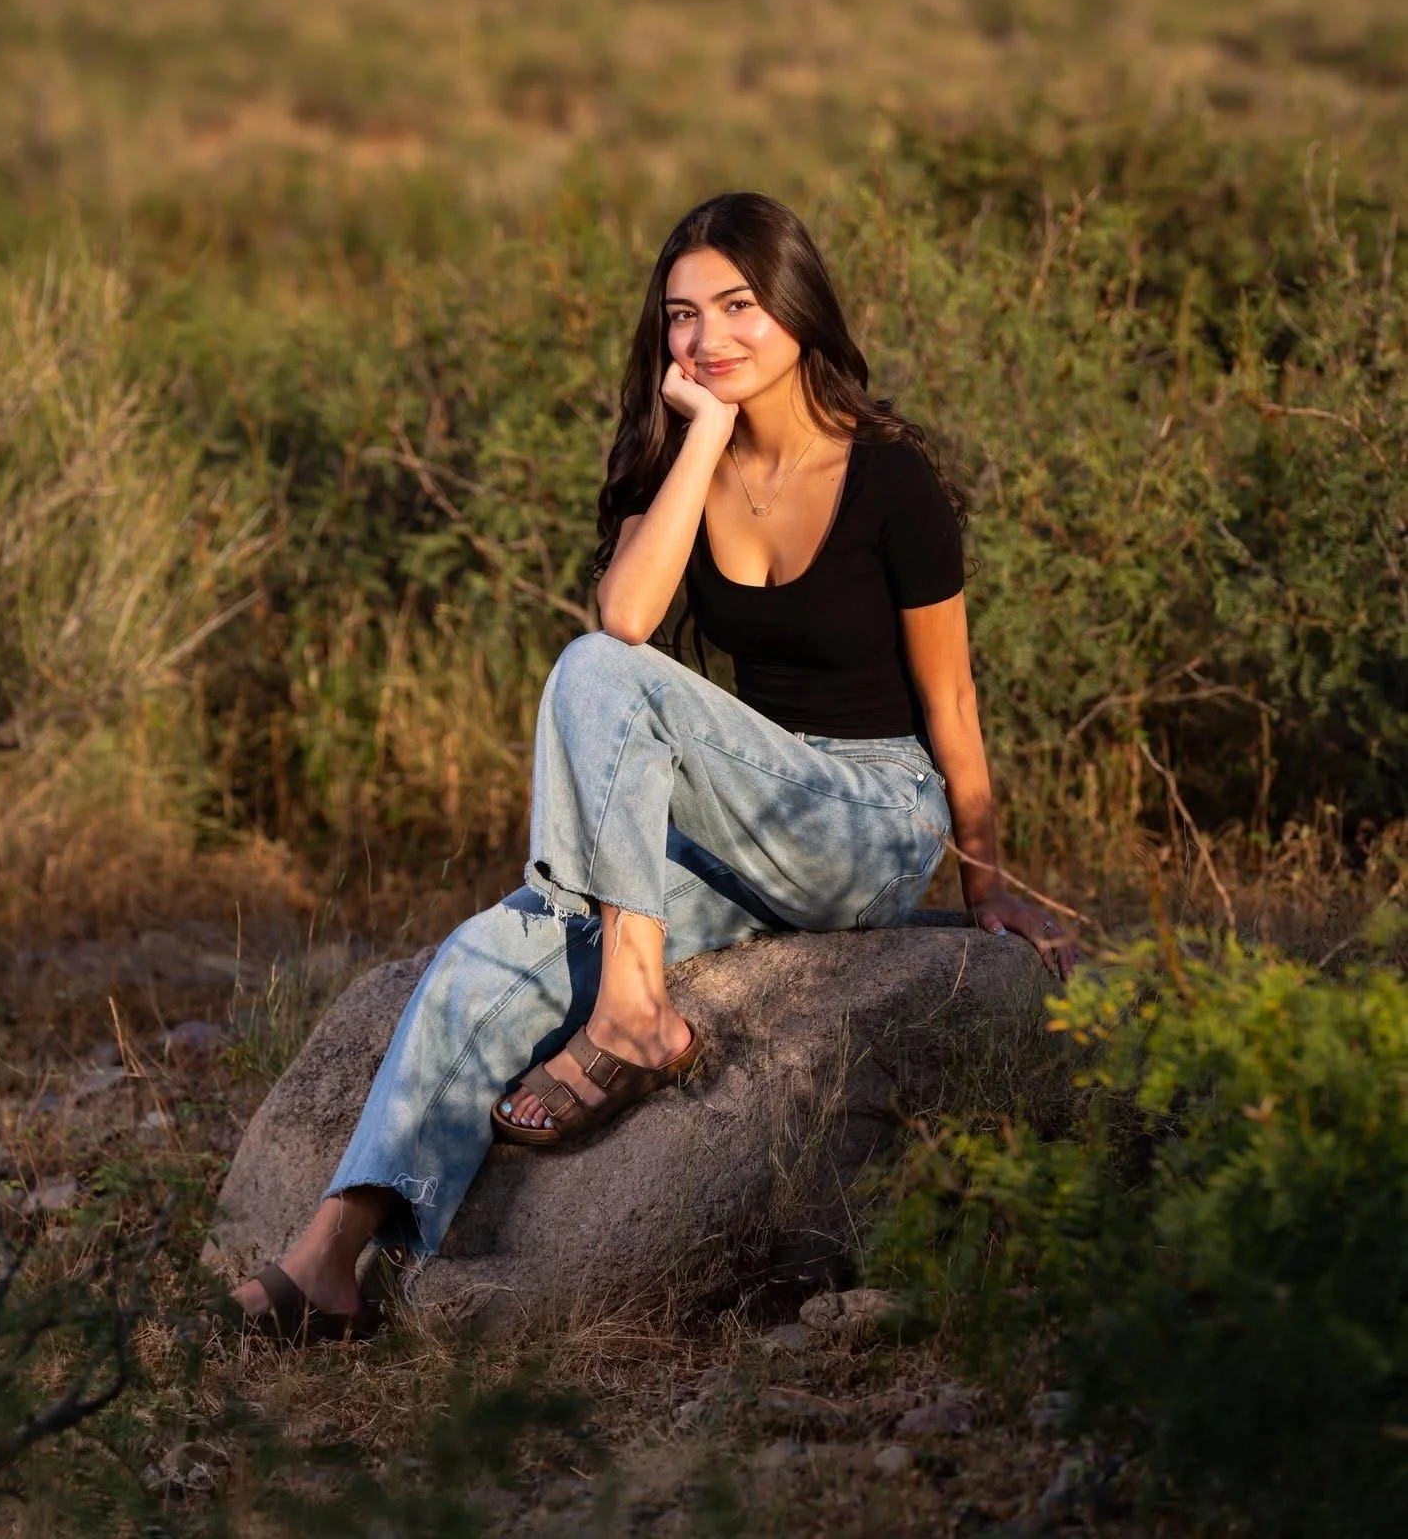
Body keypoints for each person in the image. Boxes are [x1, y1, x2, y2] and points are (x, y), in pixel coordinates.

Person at [229, 191, 1074, 1342]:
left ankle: (632, 1007)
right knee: (499, 941)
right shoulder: (684, 458)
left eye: (736, 305)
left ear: (795, 306)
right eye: (681, 315)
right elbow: (630, 607)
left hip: (865, 819)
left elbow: (952, 698)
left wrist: (982, 885)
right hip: (739, 823)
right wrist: (705, 442)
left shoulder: (893, 482)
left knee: (594, 669)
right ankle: (332, 1248)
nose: (708, 338)